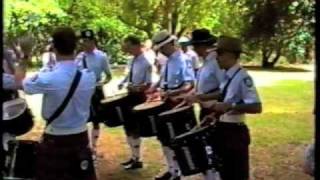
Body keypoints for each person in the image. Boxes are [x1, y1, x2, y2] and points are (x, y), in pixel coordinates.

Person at [22, 27, 97, 180]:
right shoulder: (90, 77)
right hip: (81, 137)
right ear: (75, 48)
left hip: (55, 138)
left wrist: (25, 55)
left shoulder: (47, 78)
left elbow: (20, 82)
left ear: (54, 49)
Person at [200, 36, 262, 180]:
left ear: (230, 55)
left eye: (220, 54)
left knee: (237, 174)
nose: (217, 58)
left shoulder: (243, 77)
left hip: (235, 133)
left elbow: (257, 106)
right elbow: (224, 96)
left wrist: (230, 106)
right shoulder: (228, 75)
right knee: (224, 172)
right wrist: (214, 113)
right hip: (223, 128)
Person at [150, 30, 195, 180]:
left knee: (178, 140)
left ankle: (180, 173)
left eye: (163, 47)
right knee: (165, 139)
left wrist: (171, 93)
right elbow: (163, 80)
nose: (161, 50)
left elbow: (189, 84)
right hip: (165, 103)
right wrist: (154, 88)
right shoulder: (167, 61)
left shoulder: (184, 60)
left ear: (171, 44)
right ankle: (172, 171)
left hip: (178, 105)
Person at [118, 35, 153, 170]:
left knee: (135, 128)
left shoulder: (146, 62)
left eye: (128, 46)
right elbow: (128, 75)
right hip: (130, 95)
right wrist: (123, 83)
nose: (127, 50)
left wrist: (138, 87)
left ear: (136, 45)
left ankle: (138, 159)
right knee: (127, 126)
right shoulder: (132, 60)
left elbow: (148, 83)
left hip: (138, 97)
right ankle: (133, 157)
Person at [75, 29, 112, 154]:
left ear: (93, 41)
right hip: (82, 91)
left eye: (88, 41)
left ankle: (94, 147)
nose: (85, 44)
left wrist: (101, 84)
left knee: (96, 119)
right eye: (83, 41)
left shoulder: (101, 56)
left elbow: (108, 76)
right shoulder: (79, 57)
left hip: (96, 90)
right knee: (81, 119)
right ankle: (83, 146)